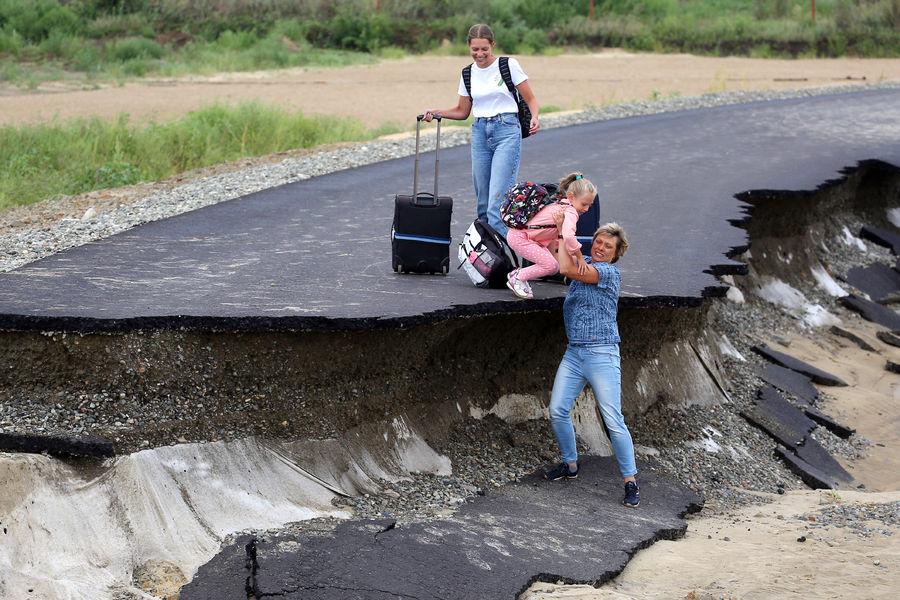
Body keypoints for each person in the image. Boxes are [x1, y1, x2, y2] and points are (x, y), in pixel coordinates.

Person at [543, 219, 641, 509]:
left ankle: (631, 482)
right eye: (598, 241)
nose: (600, 247)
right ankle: (570, 465)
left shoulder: (608, 273)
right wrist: (552, 223)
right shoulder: (584, 259)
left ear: (615, 253)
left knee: (613, 420)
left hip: (602, 354)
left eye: (607, 246)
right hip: (574, 354)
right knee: (557, 410)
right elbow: (553, 250)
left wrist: (562, 234)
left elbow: (566, 268)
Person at [423, 23, 540, 238]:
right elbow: (462, 111)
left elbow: (530, 99)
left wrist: (534, 116)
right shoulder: (467, 73)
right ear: (468, 46)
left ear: (492, 45)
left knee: (497, 203)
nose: (479, 54)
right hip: (479, 131)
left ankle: (503, 261)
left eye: (484, 49)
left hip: (507, 129)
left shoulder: (508, 65)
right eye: (475, 49)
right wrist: (436, 112)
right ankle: (486, 259)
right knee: (484, 204)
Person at [505, 172, 596, 300]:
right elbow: (569, 237)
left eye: (589, 205)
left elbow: (554, 236)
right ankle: (518, 277)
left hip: (521, 236)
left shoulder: (559, 203)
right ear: (571, 197)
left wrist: (568, 257)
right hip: (521, 238)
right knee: (551, 266)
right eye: (584, 204)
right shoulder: (570, 212)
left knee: (553, 265)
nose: (586, 209)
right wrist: (580, 258)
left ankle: (517, 274)